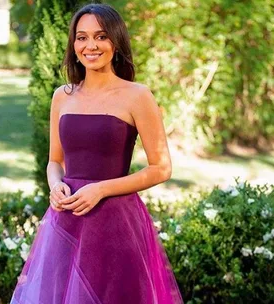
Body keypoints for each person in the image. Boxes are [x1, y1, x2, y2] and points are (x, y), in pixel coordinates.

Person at [10, 3, 183, 304]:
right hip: (66, 221)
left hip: (114, 225)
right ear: (73, 44)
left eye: (100, 36)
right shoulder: (62, 96)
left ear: (115, 42)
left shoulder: (137, 95)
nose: (90, 45)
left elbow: (161, 168)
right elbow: (55, 161)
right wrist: (55, 187)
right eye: (82, 37)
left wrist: (101, 189)